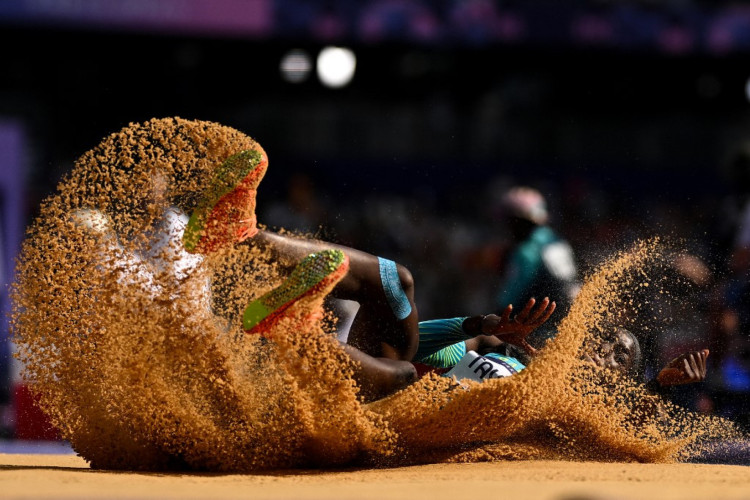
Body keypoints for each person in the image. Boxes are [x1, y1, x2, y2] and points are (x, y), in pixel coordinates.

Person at [494, 186, 580, 343]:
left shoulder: (526, 251)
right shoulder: (556, 241)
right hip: (570, 323)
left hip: (540, 333)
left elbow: (509, 300)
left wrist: (488, 327)